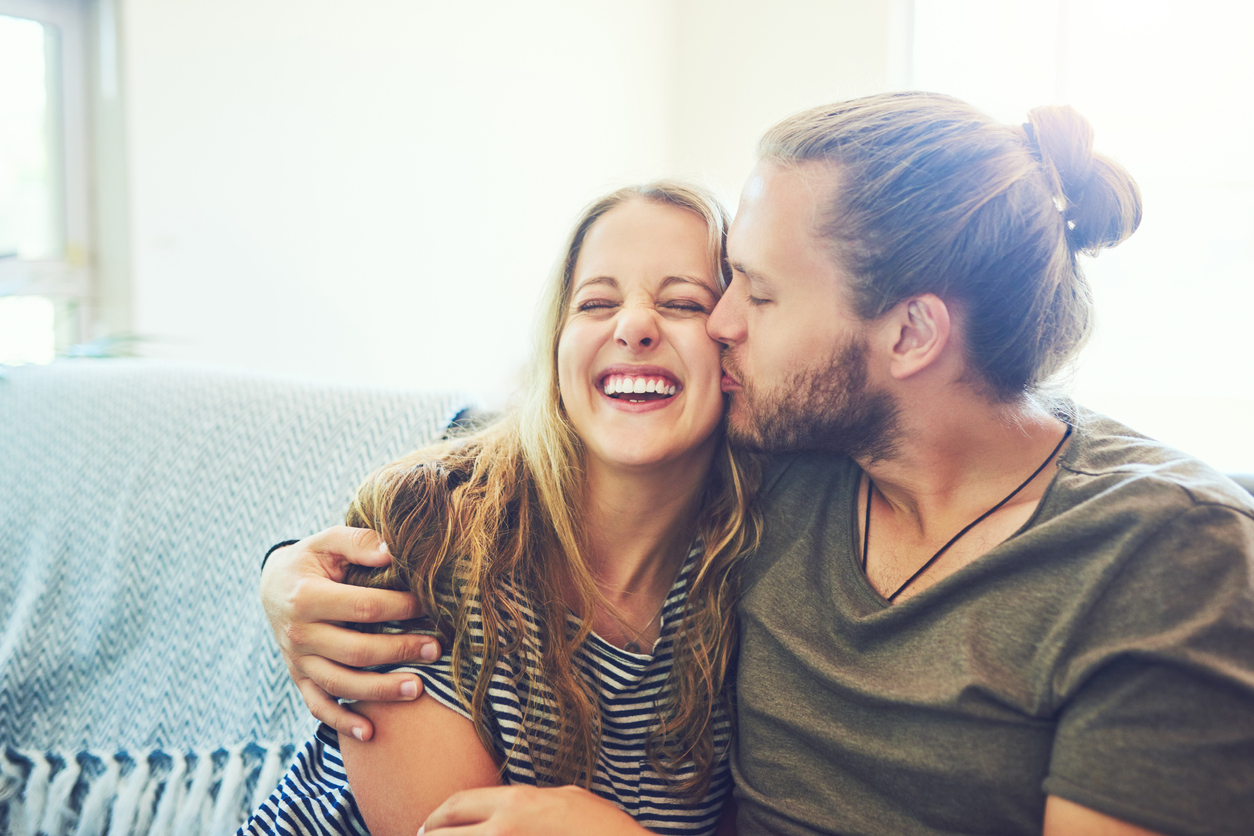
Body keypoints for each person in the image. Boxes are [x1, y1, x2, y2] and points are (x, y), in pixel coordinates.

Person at [262, 93, 1254, 836]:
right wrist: (288, 574)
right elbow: (530, 443)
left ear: (910, 333)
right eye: (722, 283)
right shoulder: (791, 462)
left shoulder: (1164, 556)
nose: (719, 324)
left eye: (753, 294)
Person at [241, 181, 762, 836]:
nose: (633, 326)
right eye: (596, 302)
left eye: (683, 302)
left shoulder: (754, 575)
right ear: (556, 348)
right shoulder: (429, 533)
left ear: (735, 352)